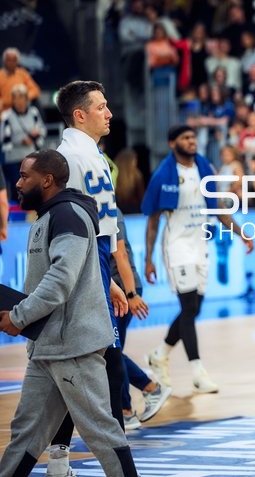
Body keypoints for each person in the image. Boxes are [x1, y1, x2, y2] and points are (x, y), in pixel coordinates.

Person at [0, 150, 138, 476]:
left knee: (100, 432)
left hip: (73, 346)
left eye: (24, 176)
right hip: (47, 346)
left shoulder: (68, 216)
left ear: (46, 180)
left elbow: (60, 282)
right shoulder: (47, 216)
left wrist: (18, 317)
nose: (17, 183)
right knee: (26, 434)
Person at [53, 80, 144, 475]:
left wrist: (109, 280)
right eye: (102, 107)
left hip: (91, 270)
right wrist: (104, 278)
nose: (109, 113)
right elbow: (81, 230)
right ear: (80, 115)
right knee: (108, 365)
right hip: (82, 273)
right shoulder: (78, 159)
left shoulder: (81, 154)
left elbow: (96, 231)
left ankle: (58, 459)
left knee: (76, 367)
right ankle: (119, 462)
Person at [143, 125, 254, 393]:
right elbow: (153, 221)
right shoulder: (163, 175)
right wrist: (148, 259)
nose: (192, 141)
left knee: (193, 308)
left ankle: (160, 354)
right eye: (185, 138)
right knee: (189, 307)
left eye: (193, 137)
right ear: (173, 143)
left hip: (200, 245)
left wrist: (242, 234)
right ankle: (197, 371)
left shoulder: (205, 168)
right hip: (177, 247)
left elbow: (219, 209)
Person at [110, 210, 172, 429]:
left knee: (110, 352)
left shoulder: (107, 206)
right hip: (116, 289)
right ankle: (127, 410)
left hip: (120, 290)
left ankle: (149, 390)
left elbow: (121, 254)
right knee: (111, 352)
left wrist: (131, 295)